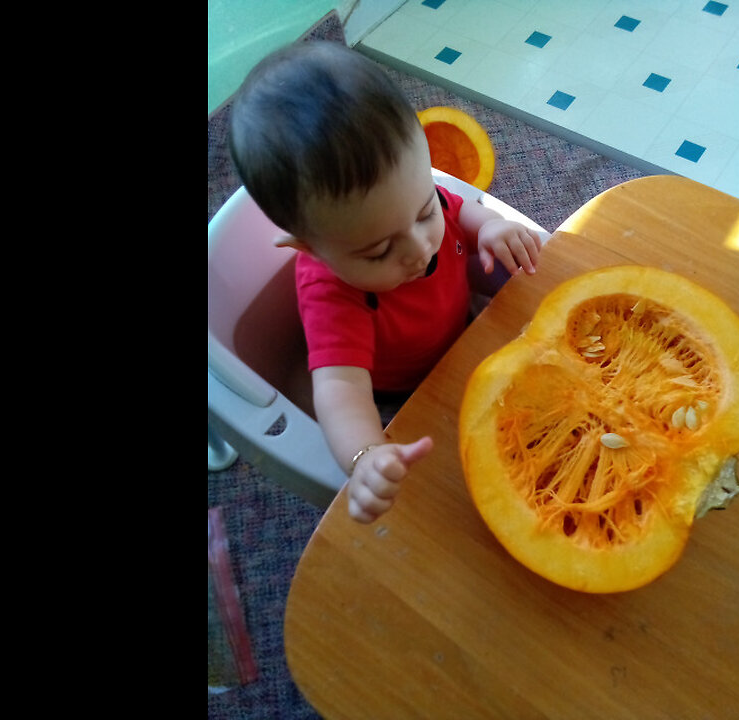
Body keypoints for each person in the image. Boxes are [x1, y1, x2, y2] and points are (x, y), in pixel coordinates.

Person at [229, 41, 542, 523]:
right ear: (309, 249)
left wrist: (492, 225)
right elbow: (339, 390)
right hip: (400, 392)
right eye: (378, 251)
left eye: (424, 213)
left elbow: (461, 209)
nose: (419, 248)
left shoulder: (403, 202)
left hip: (462, 333)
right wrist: (364, 455)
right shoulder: (330, 291)